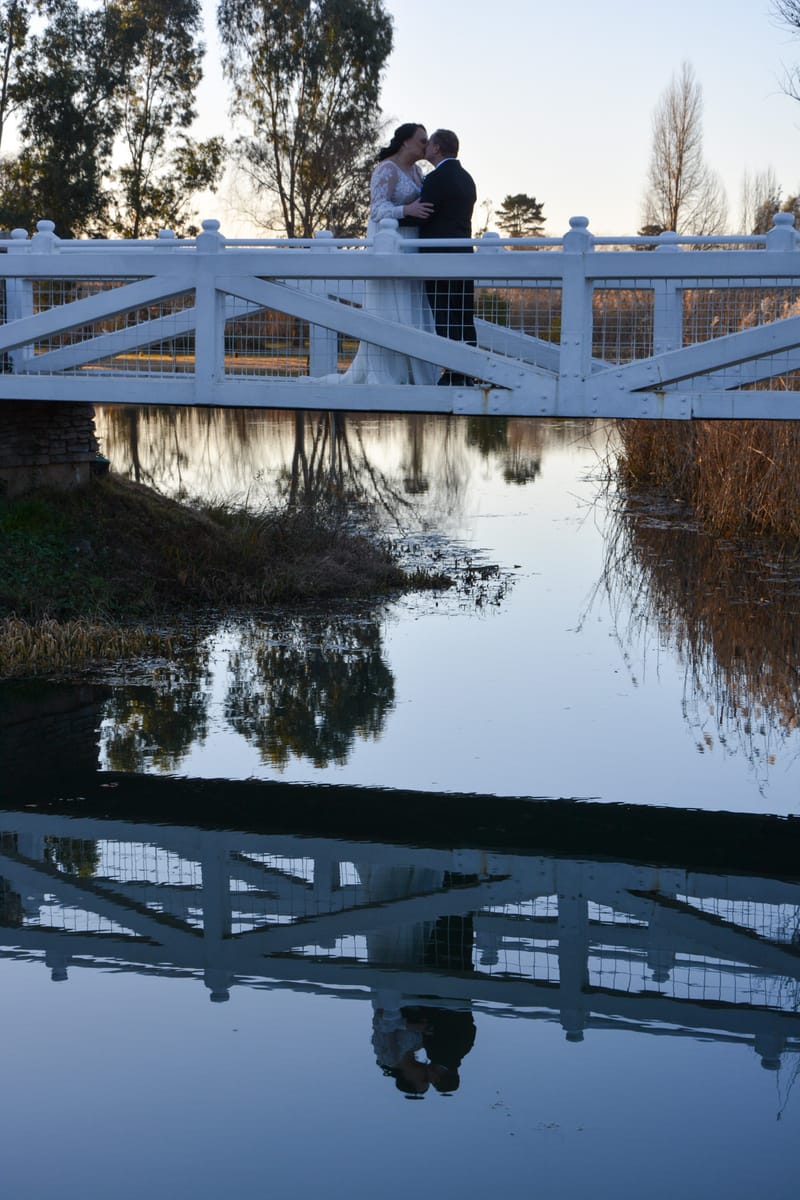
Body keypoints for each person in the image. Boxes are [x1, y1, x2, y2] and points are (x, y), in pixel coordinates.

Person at [328, 123, 438, 385]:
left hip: (411, 244)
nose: (426, 145)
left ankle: (413, 366)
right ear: (405, 143)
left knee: (410, 301)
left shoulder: (418, 171)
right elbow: (377, 209)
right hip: (389, 243)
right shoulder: (386, 169)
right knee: (390, 301)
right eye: (422, 140)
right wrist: (406, 211)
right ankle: (386, 369)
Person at [418, 129, 478, 386]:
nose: (425, 147)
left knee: (444, 313)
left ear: (437, 149)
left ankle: (453, 371)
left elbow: (423, 213)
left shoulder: (436, 179)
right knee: (463, 313)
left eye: (429, 143)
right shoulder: (467, 178)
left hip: (438, 256)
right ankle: (467, 370)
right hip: (464, 254)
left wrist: (398, 213)